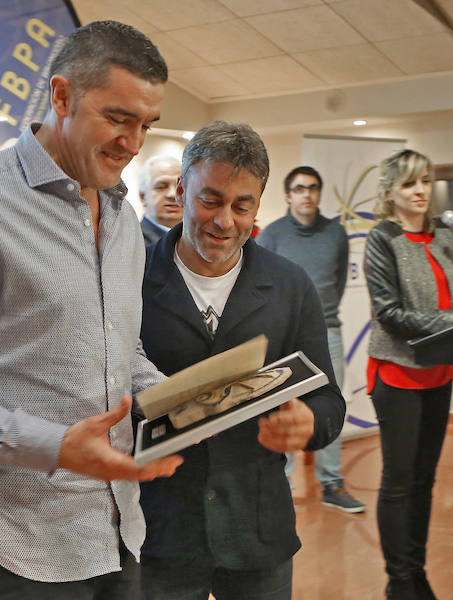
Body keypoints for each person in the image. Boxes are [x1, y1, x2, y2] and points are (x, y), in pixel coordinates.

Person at [0, 21, 182, 599]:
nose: (133, 143)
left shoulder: (122, 216)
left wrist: (184, 405)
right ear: (62, 95)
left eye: (146, 125)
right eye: (118, 118)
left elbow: (119, 348)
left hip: (117, 525)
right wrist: (54, 446)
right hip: (13, 539)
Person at [138, 120, 346, 599]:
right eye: (209, 200)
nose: (225, 221)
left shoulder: (290, 286)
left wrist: (308, 423)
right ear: (182, 189)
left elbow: (329, 402)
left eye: (242, 205)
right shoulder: (132, 277)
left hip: (257, 528)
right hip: (159, 530)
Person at [364, 149, 453, 600]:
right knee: (399, 481)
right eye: (409, 183)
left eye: (425, 180)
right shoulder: (382, 239)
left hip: (439, 372)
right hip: (398, 374)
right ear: (389, 192)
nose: (421, 190)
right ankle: (399, 580)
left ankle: (416, 569)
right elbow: (390, 313)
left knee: (425, 480)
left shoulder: (444, 236)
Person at [257, 165, 365, 514]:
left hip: (328, 330)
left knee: (330, 403)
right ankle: (282, 484)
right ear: (288, 195)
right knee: (281, 406)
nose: (307, 194)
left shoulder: (336, 234)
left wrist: (322, 317)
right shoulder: (271, 235)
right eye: (300, 188)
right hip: (282, 333)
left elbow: (337, 282)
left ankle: (332, 482)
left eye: (313, 188)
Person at [138, 154, 182, 246]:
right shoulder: (133, 243)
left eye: (180, 187)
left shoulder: (199, 241)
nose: (173, 194)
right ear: (143, 197)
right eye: (161, 187)